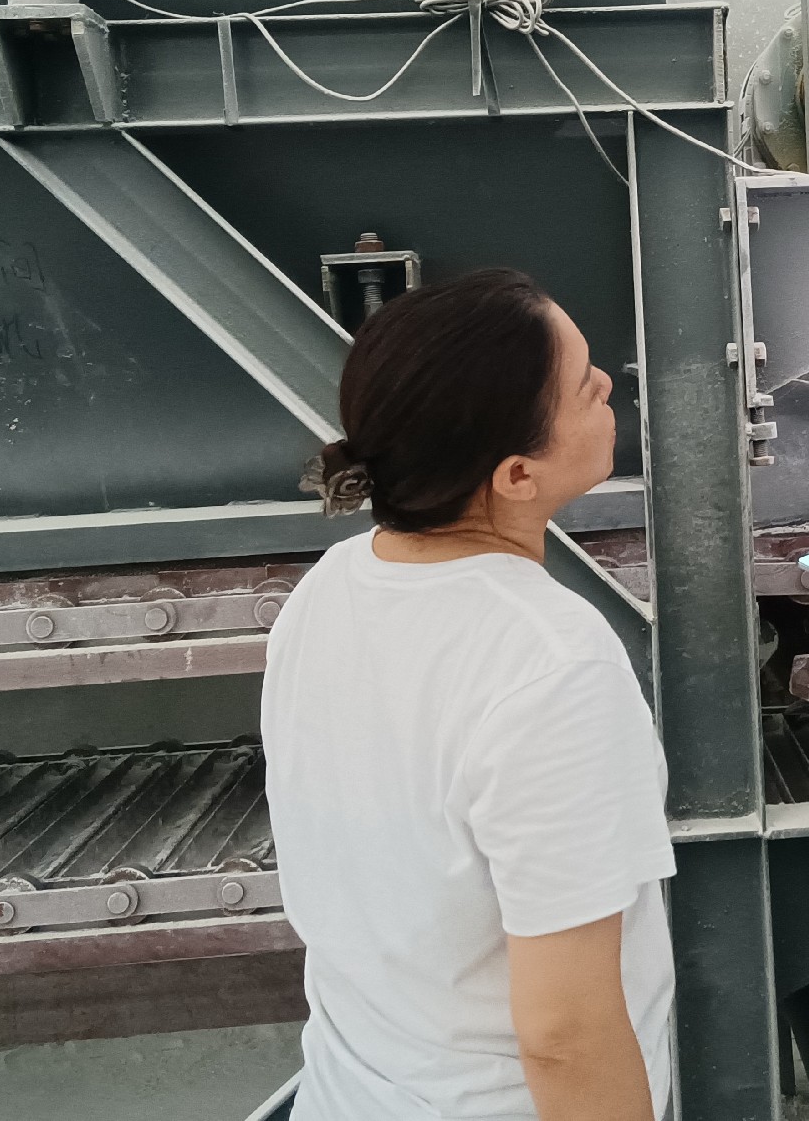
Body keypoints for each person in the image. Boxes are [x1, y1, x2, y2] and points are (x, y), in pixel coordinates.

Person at [263, 270, 674, 1121]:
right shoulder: (553, 665)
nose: (607, 384)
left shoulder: (331, 586)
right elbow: (565, 1034)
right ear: (517, 475)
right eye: (582, 385)